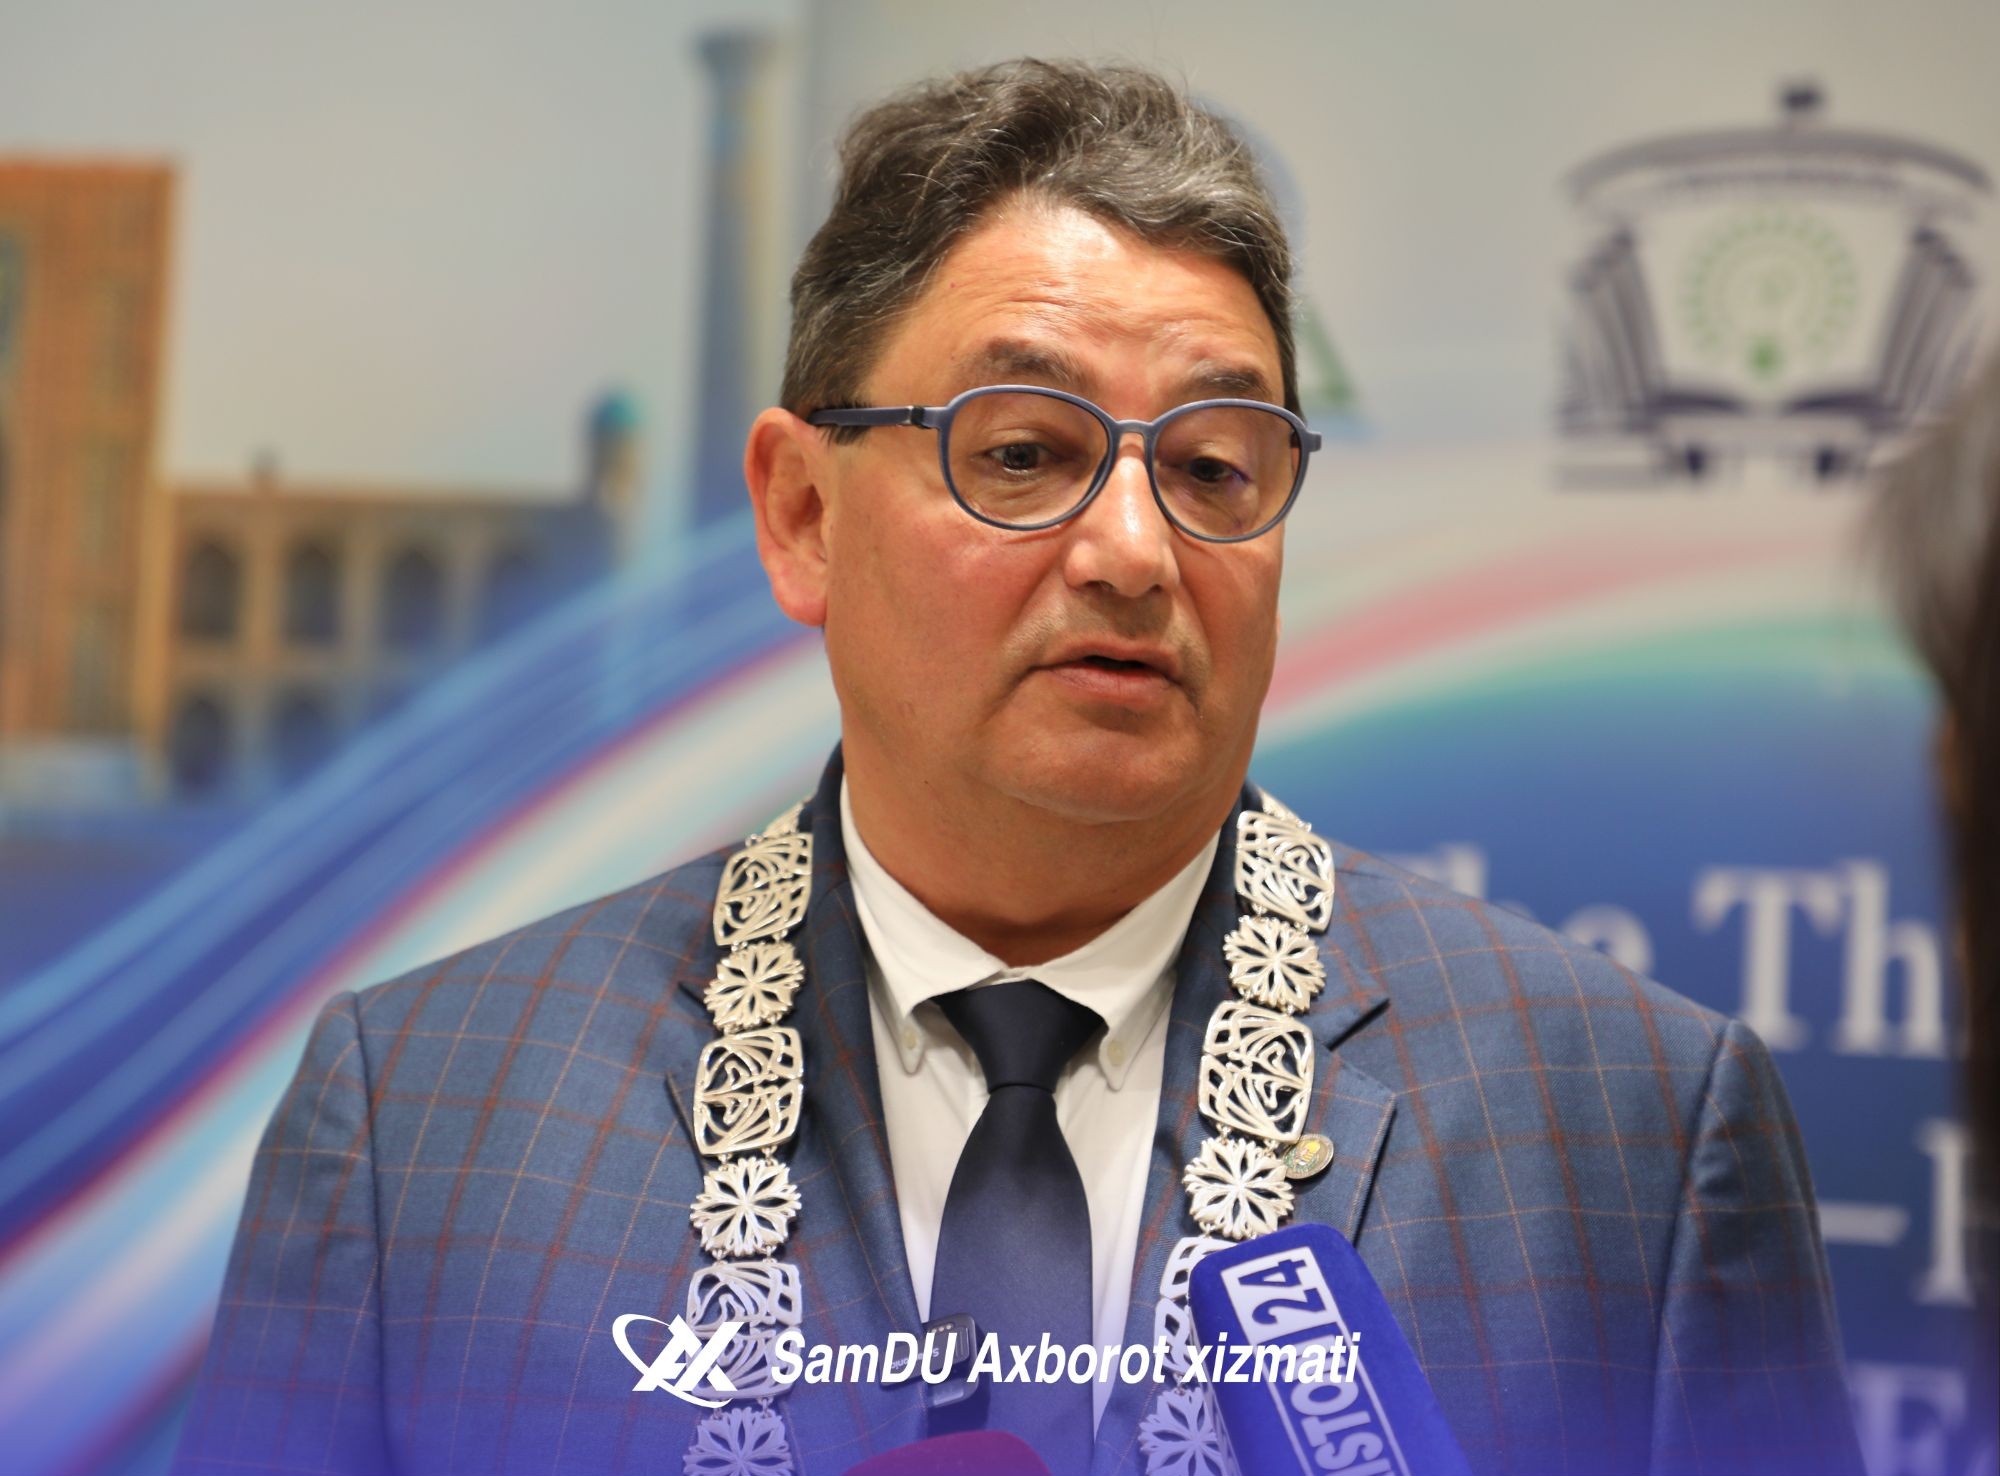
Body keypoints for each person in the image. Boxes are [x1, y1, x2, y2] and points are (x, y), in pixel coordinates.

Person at [173, 59, 1865, 1476]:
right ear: (802, 514)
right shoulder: (429, 1125)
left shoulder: (1627, 1138)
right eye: (1027, 452)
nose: (1134, 551)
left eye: (1215, 466)